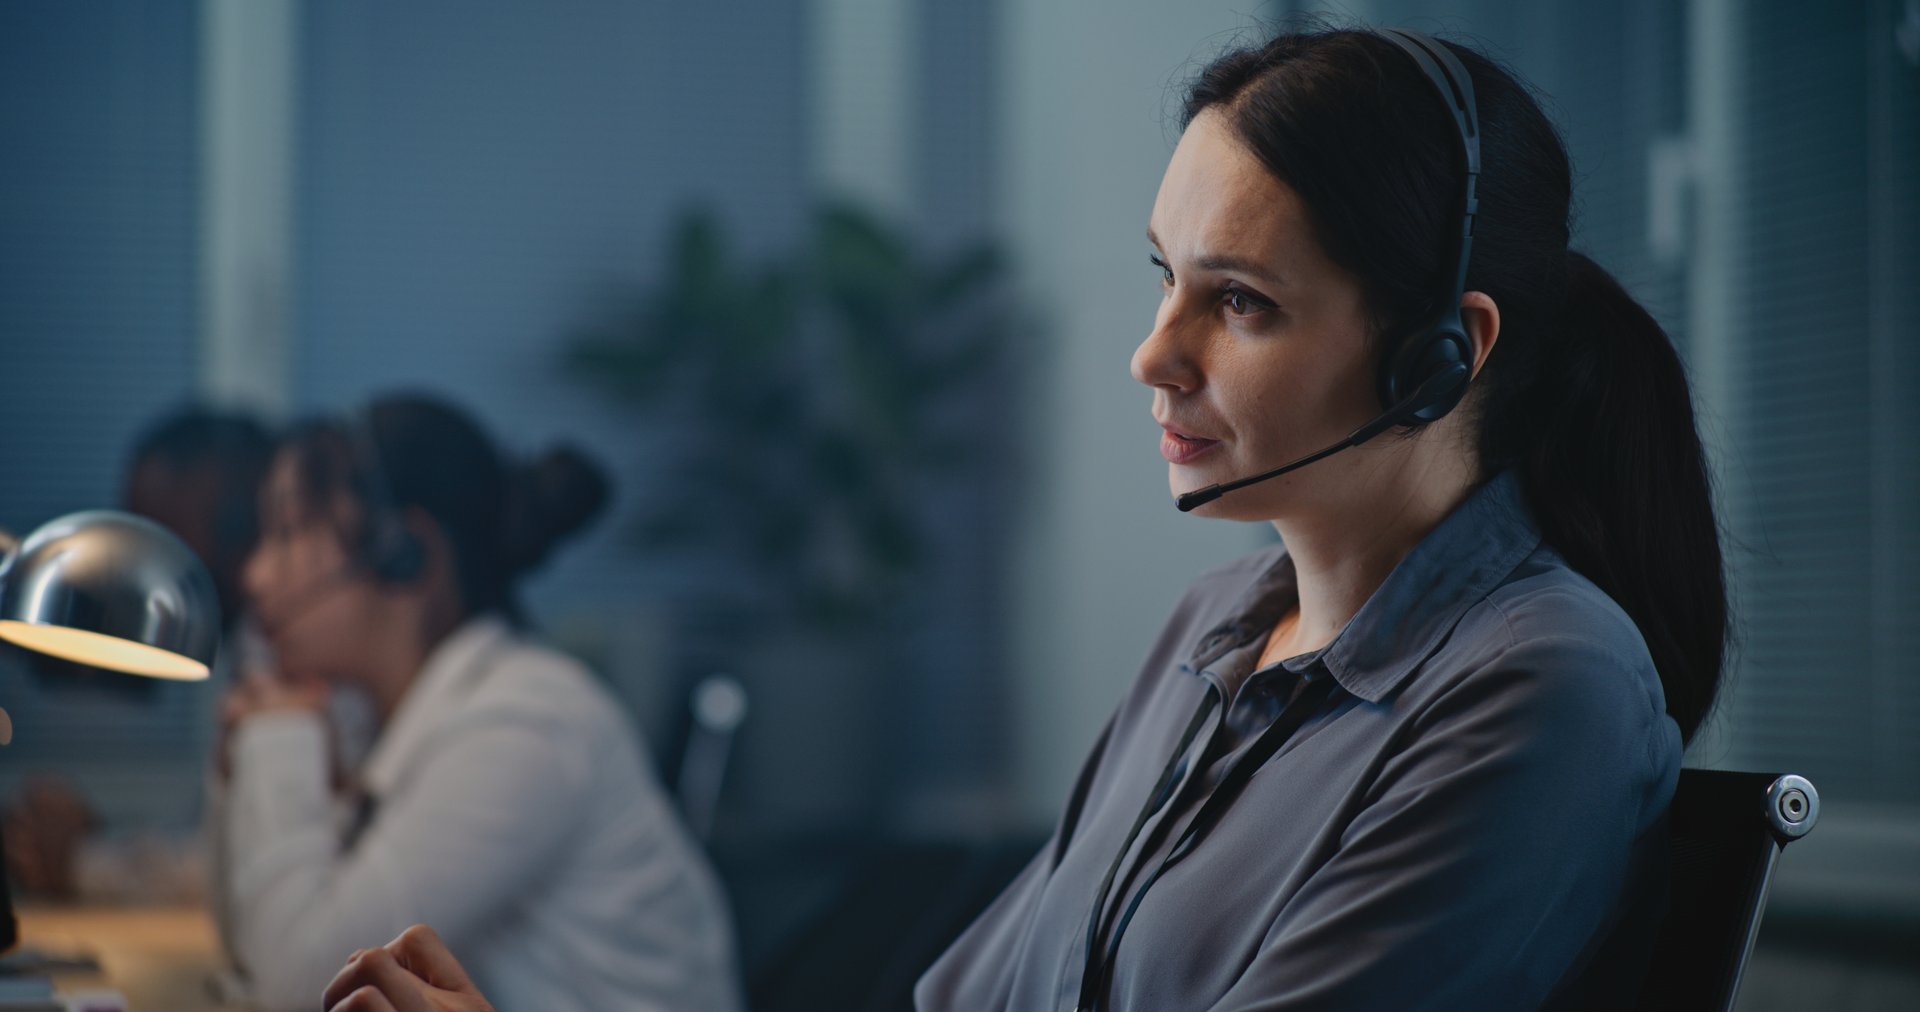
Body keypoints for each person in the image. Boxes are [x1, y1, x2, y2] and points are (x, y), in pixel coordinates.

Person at [320, 24, 1726, 1012]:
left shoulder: (1545, 686)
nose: (1154, 354)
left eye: (1240, 302)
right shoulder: (1220, 627)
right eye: (1166, 278)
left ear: (1440, 357)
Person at [216, 392, 743, 1012]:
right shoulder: (368, 719)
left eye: (290, 534)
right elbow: (248, 953)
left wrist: (279, 738)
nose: (256, 575)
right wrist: (250, 757)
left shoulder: (522, 725)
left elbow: (301, 988)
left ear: (405, 552)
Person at [2, 406, 272, 903]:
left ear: (238, 523)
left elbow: (238, 871)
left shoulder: (296, 665)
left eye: (163, 532)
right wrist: (99, 843)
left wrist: (82, 860)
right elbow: (214, 837)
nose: (146, 565)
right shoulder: (249, 651)